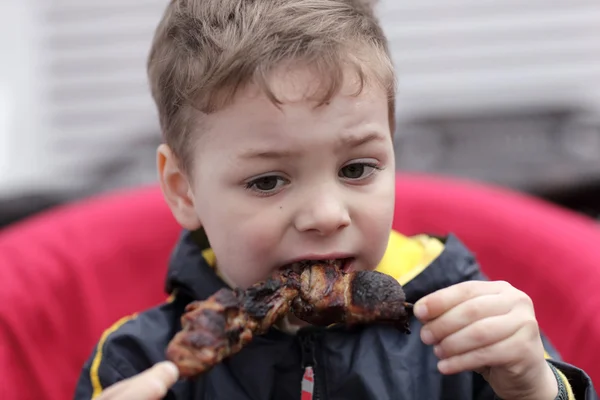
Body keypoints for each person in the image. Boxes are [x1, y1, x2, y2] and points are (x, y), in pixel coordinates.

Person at [73, 0, 597, 399]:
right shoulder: (135, 362)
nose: (326, 215)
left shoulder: (466, 333)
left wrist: (533, 385)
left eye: (355, 169)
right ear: (184, 191)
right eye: (267, 182)